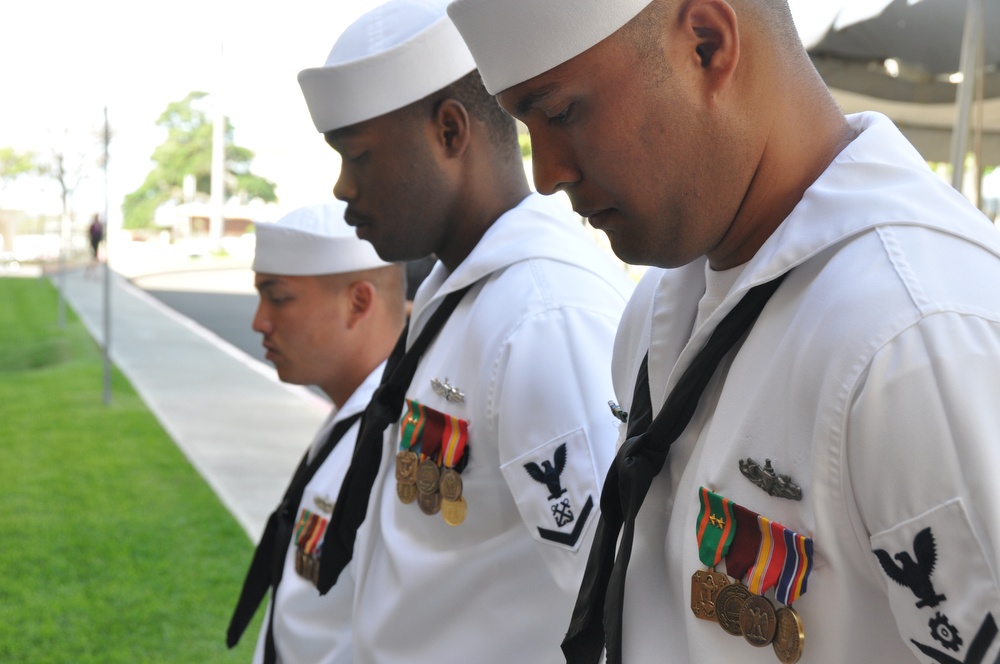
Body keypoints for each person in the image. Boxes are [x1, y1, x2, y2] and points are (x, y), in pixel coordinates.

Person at [447, 0, 1000, 662]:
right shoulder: (663, 307)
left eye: (562, 113)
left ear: (707, 44)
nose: (548, 173)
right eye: (528, 126)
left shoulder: (915, 340)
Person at [296, 1, 634, 661]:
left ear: (450, 131)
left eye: (357, 156)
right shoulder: (461, 294)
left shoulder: (543, 317)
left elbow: (609, 606)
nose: (341, 187)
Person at [226, 202, 406, 664]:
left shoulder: (395, 443)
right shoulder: (358, 418)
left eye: (278, 297)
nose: (259, 321)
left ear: (358, 302)